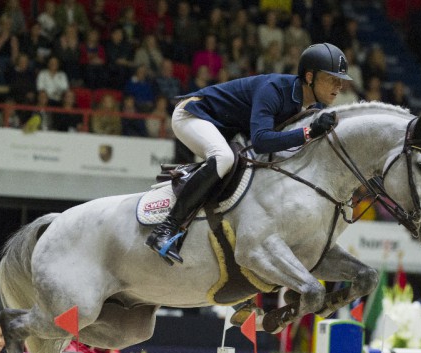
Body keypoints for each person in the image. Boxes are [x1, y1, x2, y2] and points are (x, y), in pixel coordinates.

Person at [146, 43, 352, 264]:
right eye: (332, 78)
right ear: (310, 77)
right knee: (224, 157)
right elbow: (262, 141)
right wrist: (309, 132)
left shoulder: (311, 106)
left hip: (227, 129)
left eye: (341, 80)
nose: (339, 85)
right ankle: (165, 229)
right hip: (193, 115)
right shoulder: (274, 89)